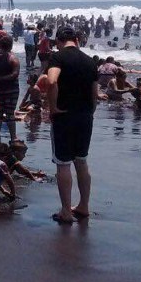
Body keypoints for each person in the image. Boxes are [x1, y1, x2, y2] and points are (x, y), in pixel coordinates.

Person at [46, 27, 101, 225]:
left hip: (65, 116)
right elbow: (95, 93)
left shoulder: (58, 57)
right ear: (77, 40)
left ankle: (66, 211)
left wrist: (53, 107)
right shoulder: (90, 61)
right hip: (85, 116)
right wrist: (91, 111)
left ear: (58, 41)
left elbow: (51, 81)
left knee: (63, 164)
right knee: (81, 161)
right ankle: (84, 206)